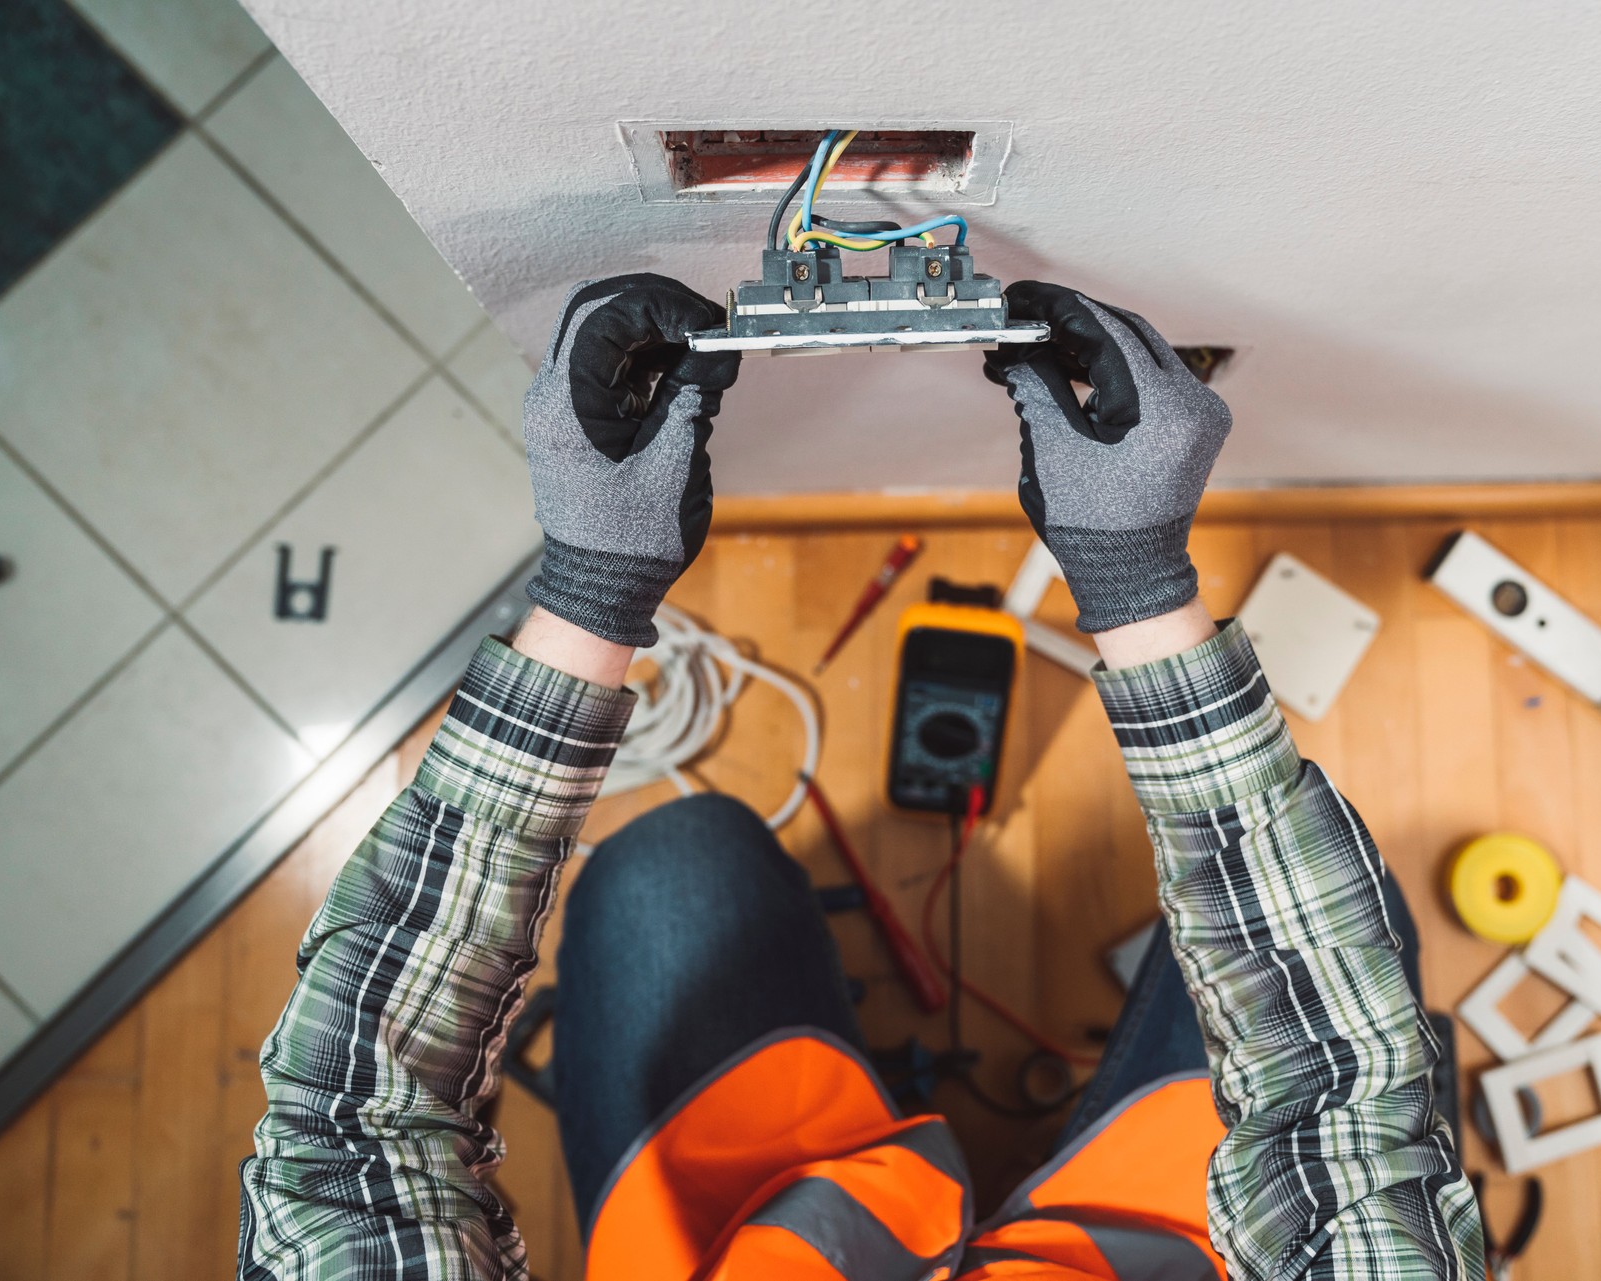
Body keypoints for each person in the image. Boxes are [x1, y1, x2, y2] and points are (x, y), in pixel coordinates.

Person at [238, 275, 1483, 1280]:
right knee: (1334, 917)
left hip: (776, 1240)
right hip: (1145, 1250)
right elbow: (1338, 1105)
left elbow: (345, 1129)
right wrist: (1136, 584)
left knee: (672, 867)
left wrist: (592, 590)